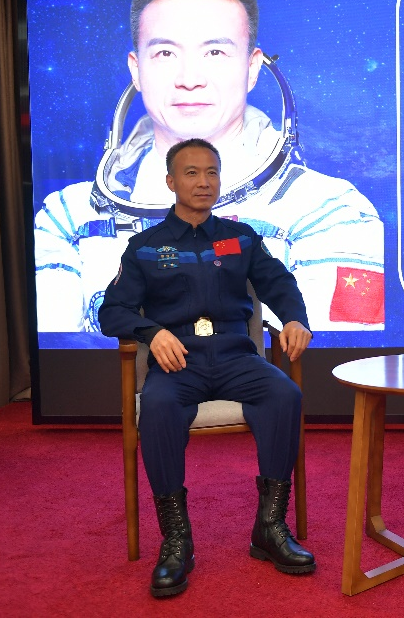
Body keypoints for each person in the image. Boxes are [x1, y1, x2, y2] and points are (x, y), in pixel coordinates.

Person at [34, 0, 384, 335]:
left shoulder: (330, 211)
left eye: (215, 52)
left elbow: (319, 355)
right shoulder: (68, 217)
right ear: (136, 70)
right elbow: (65, 356)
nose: (189, 79)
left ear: (252, 68)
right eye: (165, 53)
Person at [99, 138, 315, 597]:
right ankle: (177, 540)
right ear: (170, 182)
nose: (204, 182)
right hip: (180, 365)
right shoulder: (144, 246)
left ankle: (270, 528)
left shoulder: (241, 237)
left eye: (211, 172)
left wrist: (296, 318)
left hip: (237, 358)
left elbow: (278, 282)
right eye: (192, 173)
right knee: (157, 407)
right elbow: (112, 311)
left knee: (284, 394)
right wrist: (152, 332)